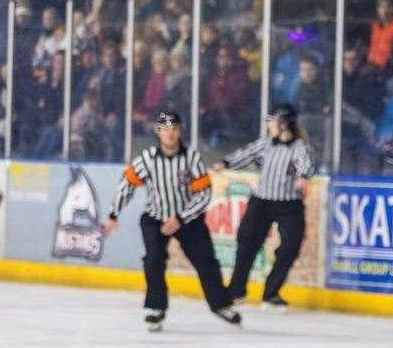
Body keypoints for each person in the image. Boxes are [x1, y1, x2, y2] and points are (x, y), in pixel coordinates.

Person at [104, 111, 241, 331]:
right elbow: (126, 185)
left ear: (180, 131)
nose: (170, 133)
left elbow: (204, 194)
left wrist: (180, 218)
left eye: (175, 129)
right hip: (155, 218)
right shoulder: (147, 158)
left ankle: (221, 304)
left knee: (206, 262)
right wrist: (113, 214)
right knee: (153, 261)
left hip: (187, 219)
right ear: (158, 131)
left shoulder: (192, 158)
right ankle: (156, 308)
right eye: (165, 128)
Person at [213, 103, 316, 310]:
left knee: (290, 246)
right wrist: (226, 163)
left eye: (273, 121)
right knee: (247, 244)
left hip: (289, 204)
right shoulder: (267, 143)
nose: (270, 125)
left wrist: (303, 177)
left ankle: (271, 292)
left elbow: (305, 163)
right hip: (262, 201)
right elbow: (247, 153)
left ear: (285, 123)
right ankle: (236, 291)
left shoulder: (300, 147)